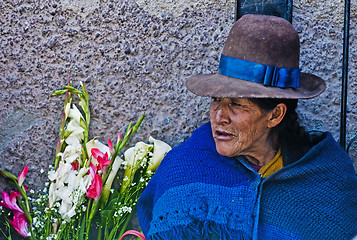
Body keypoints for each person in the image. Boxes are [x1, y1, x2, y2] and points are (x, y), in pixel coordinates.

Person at [137, 14, 357, 240]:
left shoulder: (326, 177)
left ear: (275, 115)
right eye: (216, 100)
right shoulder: (185, 167)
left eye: (235, 104)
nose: (219, 117)